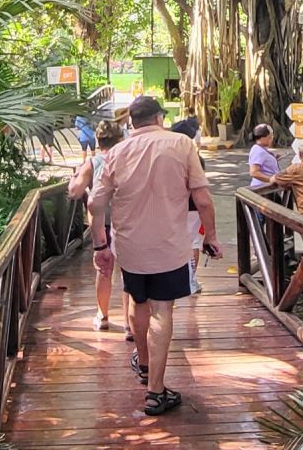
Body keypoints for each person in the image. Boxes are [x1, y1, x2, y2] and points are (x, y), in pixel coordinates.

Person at [88, 96, 222, 416]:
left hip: (130, 247)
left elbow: (95, 204)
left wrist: (100, 246)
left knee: (138, 301)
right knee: (162, 310)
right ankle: (156, 391)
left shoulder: (116, 152)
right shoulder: (182, 144)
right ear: (160, 117)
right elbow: (203, 199)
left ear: (132, 122)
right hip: (169, 246)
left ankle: (145, 363)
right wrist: (211, 236)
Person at [68, 121, 132, 333]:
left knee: (104, 270)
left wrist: (74, 178)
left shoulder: (92, 163)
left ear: (98, 140)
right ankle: (129, 323)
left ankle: (102, 316)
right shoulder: (128, 160)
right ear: (120, 139)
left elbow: (74, 192)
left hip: (101, 224)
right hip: (127, 222)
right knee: (129, 272)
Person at [169, 115, 205, 295]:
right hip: (192, 207)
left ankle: (178, 279)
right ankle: (190, 280)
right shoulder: (196, 159)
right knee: (194, 243)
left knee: (176, 241)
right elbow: (199, 188)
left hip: (171, 206)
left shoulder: (167, 157)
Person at [247, 124, 279, 189]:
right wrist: (271, 179)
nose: (272, 139)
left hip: (266, 186)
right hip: (262, 188)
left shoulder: (261, 149)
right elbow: (254, 172)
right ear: (262, 138)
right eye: (269, 137)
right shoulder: (258, 151)